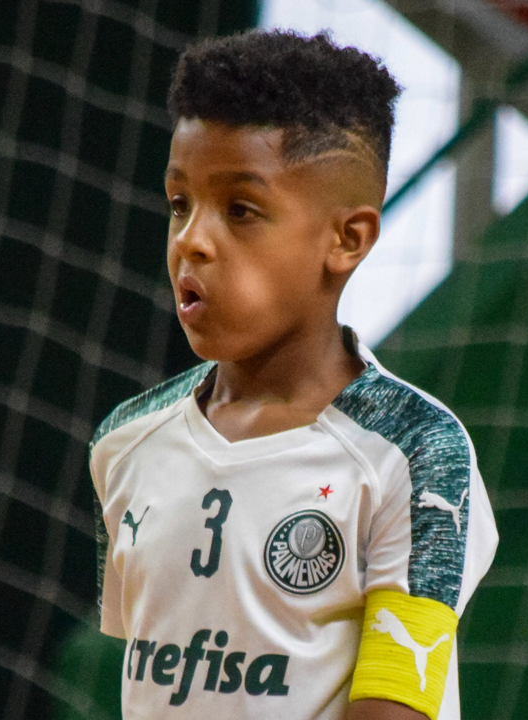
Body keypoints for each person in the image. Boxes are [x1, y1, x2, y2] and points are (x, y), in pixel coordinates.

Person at [89, 30, 498, 720]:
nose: (192, 239)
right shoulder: (123, 442)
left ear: (347, 239)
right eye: (179, 203)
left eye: (240, 210)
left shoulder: (415, 452)